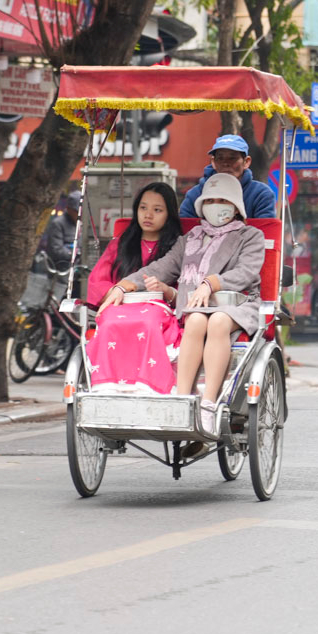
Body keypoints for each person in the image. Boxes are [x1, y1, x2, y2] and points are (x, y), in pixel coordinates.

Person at [100, 173, 266, 456]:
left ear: (236, 206)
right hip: (195, 308)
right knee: (198, 319)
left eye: (222, 201)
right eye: (210, 200)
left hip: (235, 302)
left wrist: (210, 283)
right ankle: (182, 398)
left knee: (218, 321)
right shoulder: (191, 238)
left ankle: (209, 405)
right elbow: (161, 268)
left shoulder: (250, 236)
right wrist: (123, 285)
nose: (216, 206)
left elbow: (246, 273)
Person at [86, 182, 184, 394]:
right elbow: (98, 280)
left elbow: (180, 289)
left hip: (159, 307)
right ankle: (108, 385)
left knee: (148, 322)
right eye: (143, 208)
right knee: (110, 321)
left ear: (169, 214)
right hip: (120, 304)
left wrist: (165, 290)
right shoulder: (120, 245)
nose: (148, 215)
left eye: (157, 210)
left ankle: (148, 385)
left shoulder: (176, 249)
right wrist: (116, 292)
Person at [179, 134, 275, 219]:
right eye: (220, 158)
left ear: (246, 162)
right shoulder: (195, 194)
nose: (225, 163)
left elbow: (266, 233)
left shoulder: (261, 194)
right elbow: (185, 229)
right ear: (213, 162)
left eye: (232, 158)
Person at [43, 190, 81, 270]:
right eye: (77, 211)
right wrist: (76, 253)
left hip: (78, 272)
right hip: (61, 273)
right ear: (69, 209)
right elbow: (56, 250)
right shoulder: (58, 224)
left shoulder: (81, 224)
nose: (80, 214)